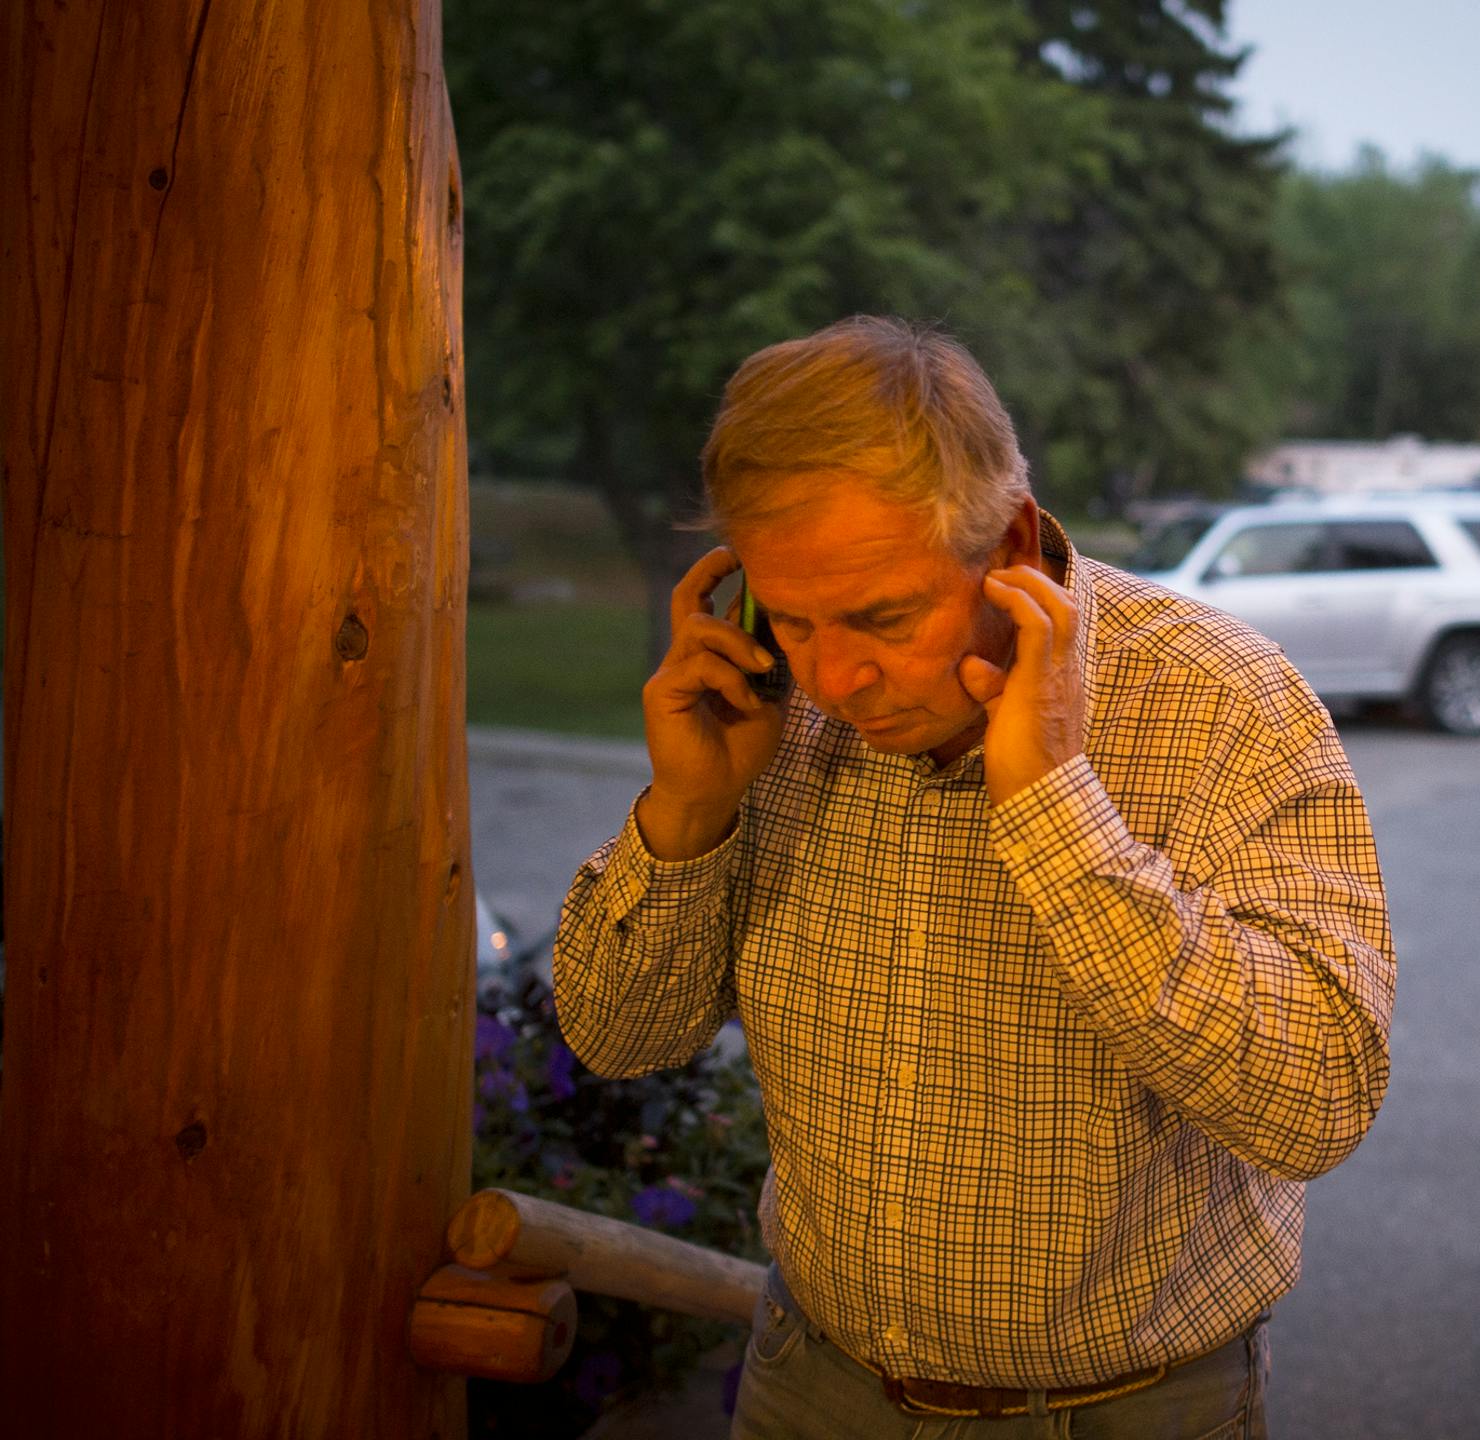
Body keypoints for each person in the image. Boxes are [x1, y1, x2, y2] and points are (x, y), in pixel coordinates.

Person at [553, 316, 1395, 1438]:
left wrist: (1054, 808)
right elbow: (617, 1037)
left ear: (1009, 548)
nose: (839, 676)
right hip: (813, 1387)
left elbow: (1319, 1101)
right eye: (793, 619)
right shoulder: (769, 710)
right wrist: (691, 810)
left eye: (883, 616)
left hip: (1119, 1414)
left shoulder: (1220, 701)